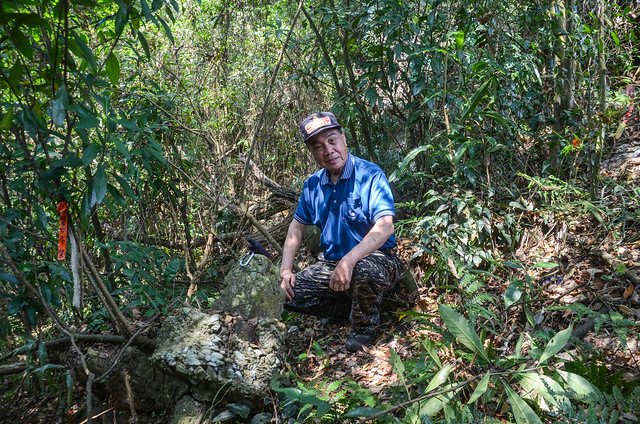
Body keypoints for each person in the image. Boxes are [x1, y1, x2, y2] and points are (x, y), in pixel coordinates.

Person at [279, 111, 403, 352]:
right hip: (332, 264)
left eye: (332, 140)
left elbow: (385, 225)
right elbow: (296, 227)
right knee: (287, 294)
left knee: (364, 272)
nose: (328, 150)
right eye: (318, 146)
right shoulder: (313, 185)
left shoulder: (369, 174)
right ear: (312, 153)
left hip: (377, 259)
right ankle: (345, 308)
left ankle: (365, 328)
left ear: (344, 139)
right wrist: (285, 270)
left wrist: (349, 260)